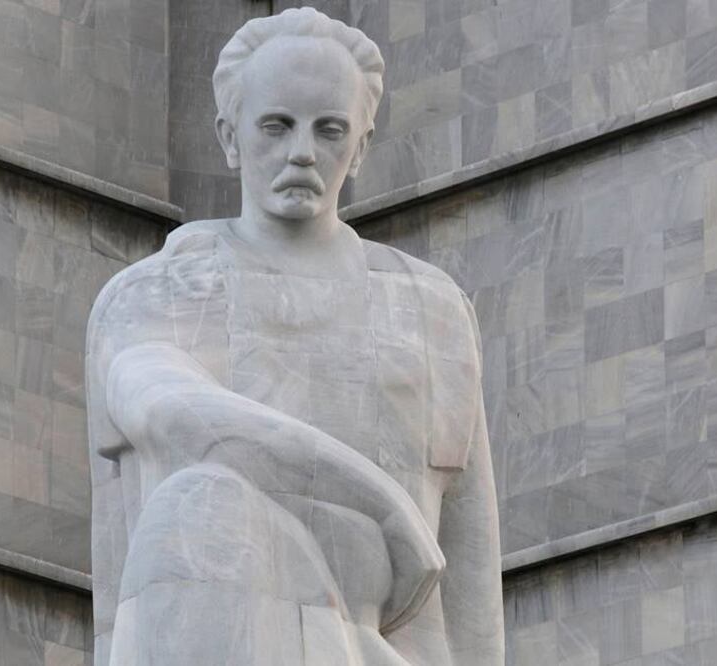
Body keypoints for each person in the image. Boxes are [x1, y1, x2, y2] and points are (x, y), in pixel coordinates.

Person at [86, 8, 504, 665]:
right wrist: (384, 507)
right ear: (230, 136)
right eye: (276, 125)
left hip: (373, 650)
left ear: (360, 146)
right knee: (199, 503)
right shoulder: (157, 291)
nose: (302, 151)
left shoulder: (430, 308)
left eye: (328, 129)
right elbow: (172, 411)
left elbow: (468, 576)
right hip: (221, 630)